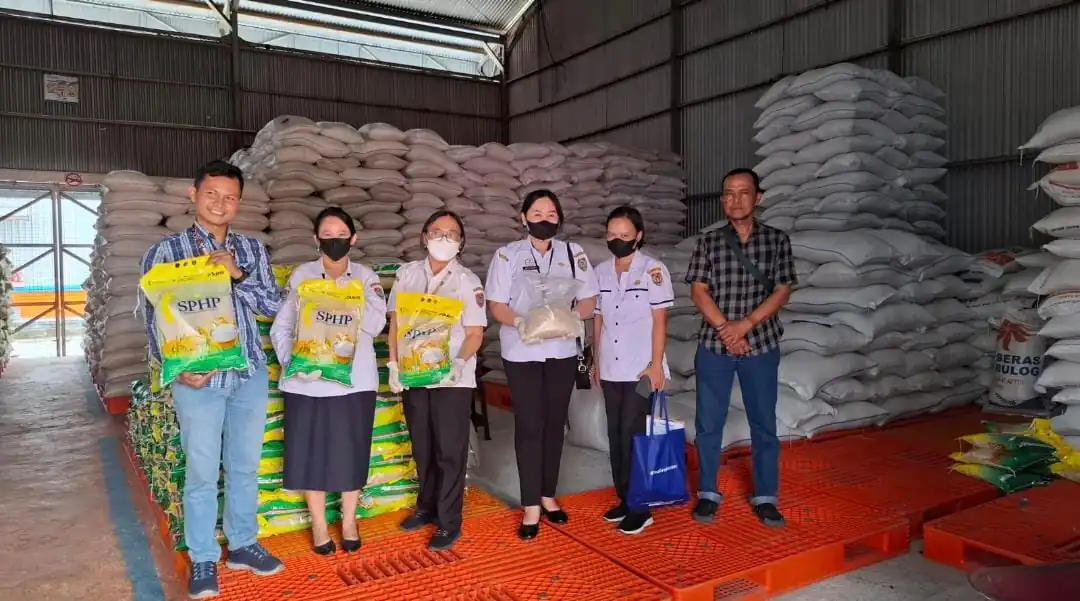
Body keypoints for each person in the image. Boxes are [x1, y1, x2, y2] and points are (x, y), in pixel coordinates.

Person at [140, 160, 284, 599]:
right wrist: (178, 369)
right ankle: (203, 557)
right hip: (197, 380)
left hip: (247, 373)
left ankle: (242, 545)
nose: (221, 204)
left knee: (244, 466)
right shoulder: (166, 252)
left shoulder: (252, 250)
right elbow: (151, 321)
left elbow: (274, 307)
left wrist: (237, 275)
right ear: (194, 195)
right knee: (202, 472)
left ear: (239, 202)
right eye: (212, 195)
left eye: (230, 197)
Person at [269, 207, 388, 555]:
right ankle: (319, 524)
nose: (334, 241)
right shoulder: (302, 275)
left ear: (354, 238)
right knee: (310, 453)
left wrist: (348, 296)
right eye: (327, 235)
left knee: (351, 451)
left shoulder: (365, 277)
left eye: (341, 235)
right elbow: (282, 326)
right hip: (307, 381)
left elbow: (375, 325)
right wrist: (292, 362)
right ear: (316, 239)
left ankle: (349, 521)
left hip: (354, 382)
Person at [484, 189, 600, 540]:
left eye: (551, 213)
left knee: (554, 424)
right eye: (537, 213)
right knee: (530, 425)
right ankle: (531, 504)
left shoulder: (573, 253)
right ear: (523, 218)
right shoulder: (507, 256)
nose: (544, 219)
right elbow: (496, 304)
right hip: (522, 351)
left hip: (562, 351)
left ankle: (548, 495)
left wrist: (570, 318)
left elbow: (589, 298)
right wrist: (522, 323)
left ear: (559, 218)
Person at [685, 168, 796, 528]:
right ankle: (708, 492)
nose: (735, 200)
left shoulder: (777, 241)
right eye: (729, 194)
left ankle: (765, 496)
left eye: (743, 192)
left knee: (763, 422)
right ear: (722, 200)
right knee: (708, 424)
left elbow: (782, 289)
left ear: (758, 197)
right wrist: (726, 330)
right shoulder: (709, 242)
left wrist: (745, 325)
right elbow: (698, 290)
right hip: (714, 346)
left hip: (760, 344)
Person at [385, 210, 487, 551]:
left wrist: (458, 363)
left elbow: (475, 333)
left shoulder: (467, 280)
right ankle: (426, 506)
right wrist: (394, 364)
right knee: (423, 446)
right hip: (414, 373)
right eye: (437, 231)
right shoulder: (407, 274)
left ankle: (448, 521)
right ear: (424, 236)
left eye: (452, 233)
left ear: (461, 241)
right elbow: (396, 324)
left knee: (449, 451)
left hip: (451, 379)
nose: (444, 238)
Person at [590, 206, 674, 536]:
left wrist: (656, 365)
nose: (617, 240)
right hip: (611, 367)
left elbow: (660, 321)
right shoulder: (600, 272)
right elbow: (596, 319)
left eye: (624, 235)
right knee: (615, 433)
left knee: (634, 432)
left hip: (642, 369)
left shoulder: (653, 269)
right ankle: (626, 498)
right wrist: (594, 362)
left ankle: (641, 508)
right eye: (612, 234)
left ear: (638, 236)